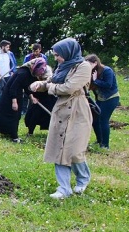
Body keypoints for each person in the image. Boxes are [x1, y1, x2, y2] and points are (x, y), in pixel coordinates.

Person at [29, 38, 92, 199]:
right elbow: (51, 82)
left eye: (58, 55)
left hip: (78, 110)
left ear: (67, 52)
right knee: (59, 149)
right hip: (61, 110)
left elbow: (69, 88)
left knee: (75, 150)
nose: (56, 58)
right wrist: (40, 85)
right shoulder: (62, 67)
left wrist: (49, 87)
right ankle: (64, 188)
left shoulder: (83, 66)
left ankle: (83, 179)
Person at [0, 57, 48, 142]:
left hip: (16, 94)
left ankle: (5, 132)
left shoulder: (28, 73)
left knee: (13, 114)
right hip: (10, 95)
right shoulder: (23, 73)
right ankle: (14, 137)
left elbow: (26, 86)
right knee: (14, 115)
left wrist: (31, 97)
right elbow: (13, 87)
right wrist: (14, 101)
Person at [85, 54, 120, 149]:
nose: (87, 66)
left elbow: (108, 84)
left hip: (111, 98)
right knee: (94, 119)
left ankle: (105, 145)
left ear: (95, 63)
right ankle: (99, 141)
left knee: (103, 120)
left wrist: (96, 80)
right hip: (100, 98)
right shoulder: (91, 71)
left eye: (89, 64)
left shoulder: (107, 70)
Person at [24, 65, 57, 136]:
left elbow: (50, 84)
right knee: (34, 115)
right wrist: (32, 97)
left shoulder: (48, 72)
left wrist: (42, 85)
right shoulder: (33, 73)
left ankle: (52, 134)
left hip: (48, 96)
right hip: (37, 97)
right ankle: (30, 132)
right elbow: (28, 88)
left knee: (50, 115)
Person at [0, 40, 17, 107]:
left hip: (8, 76)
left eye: (8, 47)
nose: (8, 48)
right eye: (7, 47)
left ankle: (8, 106)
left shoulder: (10, 54)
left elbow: (14, 64)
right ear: (2, 47)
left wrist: (13, 72)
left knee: (9, 91)